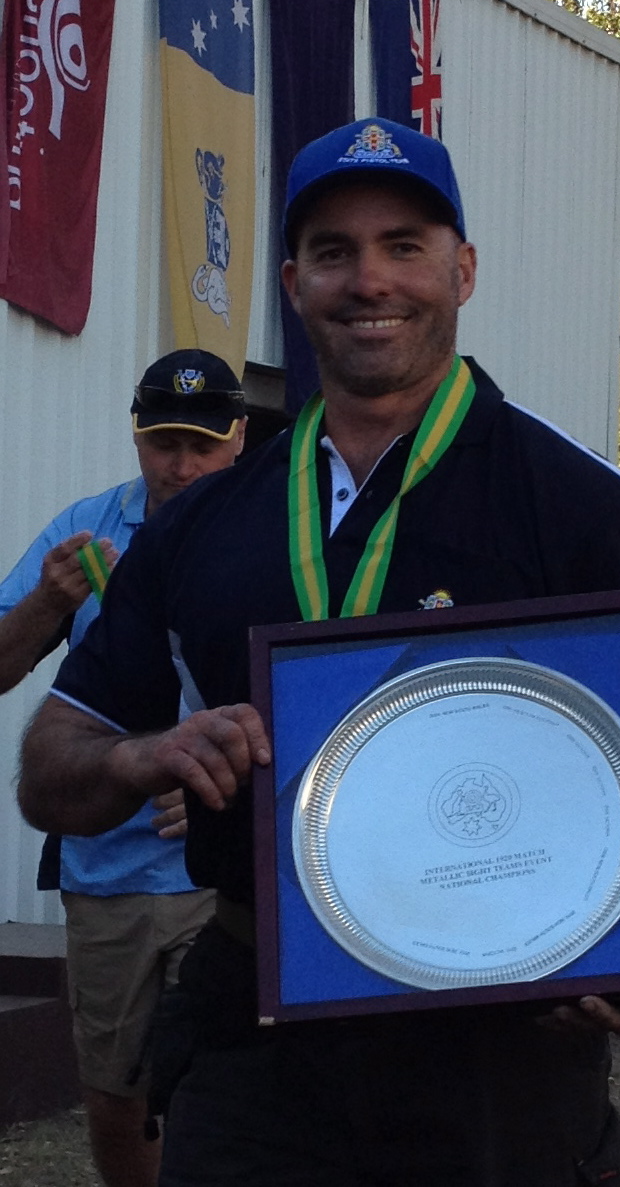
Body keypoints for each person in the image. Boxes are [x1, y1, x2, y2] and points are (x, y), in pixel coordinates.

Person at [16, 120, 620, 1186]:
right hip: (258, 1036)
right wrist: (145, 755)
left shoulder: (578, 502)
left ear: (462, 269)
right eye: (335, 251)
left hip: (502, 1043)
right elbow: (51, 764)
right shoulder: (203, 523)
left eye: (403, 244)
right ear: (295, 281)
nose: (370, 280)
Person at [1, 348, 246, 1187]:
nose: (181, 466)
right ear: (136, 434)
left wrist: (231, 780)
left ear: (240, 436)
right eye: (163, 443)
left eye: (203, 444)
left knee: (224, 1081)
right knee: (116, 1091)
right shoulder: (91, 529)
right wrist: (47, 602)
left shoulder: (272, 533)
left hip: (226, 875)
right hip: (108, 869)